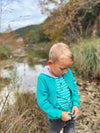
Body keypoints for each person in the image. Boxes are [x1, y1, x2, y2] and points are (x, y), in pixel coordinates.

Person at [36, 43, 80, 133]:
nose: (66, 71)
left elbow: (74, 88)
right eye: (62, 68)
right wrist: (59, 114)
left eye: (68, 68)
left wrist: (75, 104)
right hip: (55, 118)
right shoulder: (43, 79)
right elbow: (42, 101)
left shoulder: (67, 72)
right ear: (50, 63)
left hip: (70, 114)